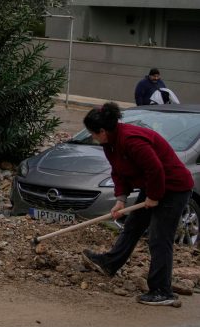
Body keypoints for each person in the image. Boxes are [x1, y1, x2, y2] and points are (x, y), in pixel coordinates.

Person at [81, 102, 193, 306]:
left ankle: (162, 291)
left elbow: (156, 169)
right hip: (154, 187)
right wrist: (120, 200)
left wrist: (154, 196)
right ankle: (109, 263)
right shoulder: (110, 144)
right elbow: (118, 171)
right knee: (133, 226)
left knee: (159, 238)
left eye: (93, 133)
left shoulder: (132, 140)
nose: (92, 137)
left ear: (103, 130)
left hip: (174, 187)